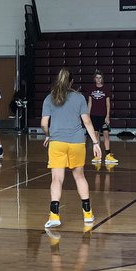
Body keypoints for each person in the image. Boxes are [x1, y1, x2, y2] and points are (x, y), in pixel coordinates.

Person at [40, 68, 102, 230]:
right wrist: (96, 143)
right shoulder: (79, 97)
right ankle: (87, 214)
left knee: (56, 179)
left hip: (57, 143)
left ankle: (54, 216)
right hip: (77, 142)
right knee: (79, 177)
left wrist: (48, 134)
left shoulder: (49, 98)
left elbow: (44, 124)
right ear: (71, 82)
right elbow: (87, 122)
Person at [86, 71, 117, 168]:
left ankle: (108, 155)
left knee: (106, 135)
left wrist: (107, 116)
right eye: (97, 78)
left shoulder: (106, 89)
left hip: (103, 116)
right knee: (96, 136)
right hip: (94, 116)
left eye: (100, 78)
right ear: (94, 79)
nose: (98, 79)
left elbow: (108, 104)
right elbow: (90, 103)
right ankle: (97, 156)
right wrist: (88, 115)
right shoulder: (91, 89)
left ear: (102, 79)